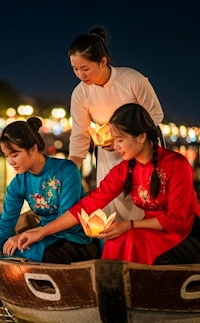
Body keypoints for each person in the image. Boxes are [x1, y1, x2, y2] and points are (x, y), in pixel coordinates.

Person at [17, 104, 200, 266]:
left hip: (189, 235)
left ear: (141, 136)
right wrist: (42, 232)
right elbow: (87, 205)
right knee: (116, 240)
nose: (114, 147)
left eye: (120, 140)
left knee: (131, 238)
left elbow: (178, 220)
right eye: (113, 139)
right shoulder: (125, 169)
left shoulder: (176, 165)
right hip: (153, 232)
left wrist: (130, 225)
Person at [0, 117, 100, 289]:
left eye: (15, 154)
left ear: (33, 149)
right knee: (8, 254)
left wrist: (33, 233)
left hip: (75, 239)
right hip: (43, 238)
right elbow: (4, 227)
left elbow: (68, 217)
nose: (10, 162)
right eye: (7, 156)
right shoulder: (18, 184)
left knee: (43, 253)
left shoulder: (67, 171)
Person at [68, 26, 164, 222]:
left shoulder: (132, 79)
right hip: (109, 156)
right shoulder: (80, 93)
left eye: (85, 68)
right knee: (112, 206)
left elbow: (155, 114)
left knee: (147, 199)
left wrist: (124, 137)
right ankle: (115, 249)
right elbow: (80, 135)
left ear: (103, 61)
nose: (80, 74)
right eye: (75, 69)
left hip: (143, 151)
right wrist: (69, 172)